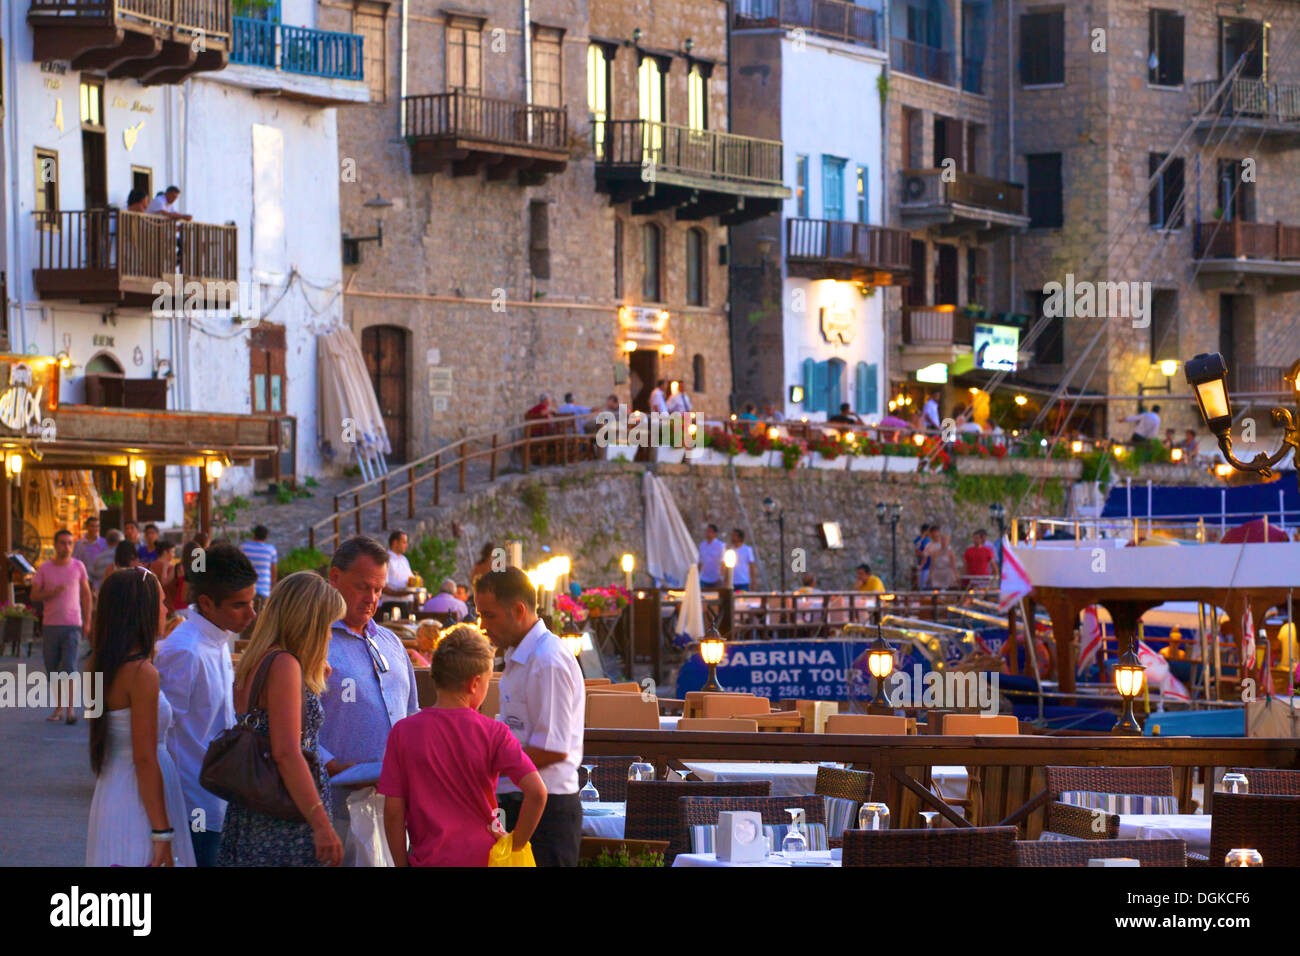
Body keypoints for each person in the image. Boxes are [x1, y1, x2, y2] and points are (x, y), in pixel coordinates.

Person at [380, 624, 546, 866]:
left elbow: (393, 811)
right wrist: (515, 843)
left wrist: (400, 863)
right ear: (474, 683)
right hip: (484, 858)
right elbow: (537, 793)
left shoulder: (402, 733)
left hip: (428, 859)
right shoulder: (495, 733)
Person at [218, 572, 345, 867]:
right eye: (327, 625)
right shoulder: (284, 664)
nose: (329, 634)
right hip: (285, 817)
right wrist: (322, 824)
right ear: (308, 623)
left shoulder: (260, 659)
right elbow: (288, 753)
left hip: (256, 813)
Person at [155, 543, 258, 867]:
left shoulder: (216, 638)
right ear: (206, 603)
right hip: (192, 801)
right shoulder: (184, 651)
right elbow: (161, 735)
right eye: (240, 605)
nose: (251, 613)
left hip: (220, 795)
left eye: (252, 602)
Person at [85, 567, 196, 867]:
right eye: (160, 601)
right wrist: (162, 832)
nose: (167, 609)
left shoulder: (98, 665)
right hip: (140, 798)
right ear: (141, 610)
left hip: (112, 790)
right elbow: (144, 758)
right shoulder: (141, 674)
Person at [474, 567, 584, 867]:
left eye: (490, 614)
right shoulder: (522, 656)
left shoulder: (547, 660)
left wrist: (488, 767)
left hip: (548, 810)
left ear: (519, 610)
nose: (483, 625)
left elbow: (553, 748)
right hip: (521, 801)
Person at [320, 536, 420, 861]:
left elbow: (411, 712)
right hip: (334, 803)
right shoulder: (314, 643)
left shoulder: (390, 642)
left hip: (394, 806)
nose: (372, 599)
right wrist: (329, 763)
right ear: (335, 578)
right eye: (363, 587)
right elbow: (287, 721)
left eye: (379, 589)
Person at [31, 529, 93, 724]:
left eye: (69, 543)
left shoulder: (78, 567)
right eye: (62, 543)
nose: (66, 547)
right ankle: (58, 707)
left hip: (72, 624)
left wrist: (88, 621)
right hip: (50, 625)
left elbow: (86, 595)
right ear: (55, 545)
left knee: (69, 666)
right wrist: (52, 593)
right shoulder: (44, 568)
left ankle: (70, 709)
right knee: (53, 669)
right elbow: (34, 596)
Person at [239, 525, 278, 612]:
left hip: (245, 587)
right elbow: (274, 573)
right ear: (266, 537)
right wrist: (272, 589)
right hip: (264, 588)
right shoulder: (271, 550)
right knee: (261, 616)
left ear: (254, 535)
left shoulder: (244, 548)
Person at [383, 530, 416, 613]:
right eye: (404, 542)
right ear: (395, 543)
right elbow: (382, 586)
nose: (407, 545)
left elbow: (410, 580)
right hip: (392, 604)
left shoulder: (404, 560)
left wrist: (416, 582)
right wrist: (400, 594)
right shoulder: (386, 559)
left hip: (407, 604)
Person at [149, 540, 181, 613]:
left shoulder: (148, 566)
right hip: (170, 609)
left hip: (153, 609)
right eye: (172, 552)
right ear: (165, 552)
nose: (174, 555)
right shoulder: (173, 569)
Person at [697, 523, 725, 588]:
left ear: (715, 534)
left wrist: (721, 577)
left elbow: (723, 563)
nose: (708, 533)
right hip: (703, 578)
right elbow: (700, 562)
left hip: (716, 579)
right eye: (707, 531)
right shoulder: (702, 545)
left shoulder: (720, 545)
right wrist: (697, 575)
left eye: (710, 531)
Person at [913, 524, 932, 588]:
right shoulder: (924, 540)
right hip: (924, 566)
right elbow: (917, 552)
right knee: (924, 587)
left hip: (927, 566)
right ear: (926, 531)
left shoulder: (922, 540)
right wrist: (925, 554)